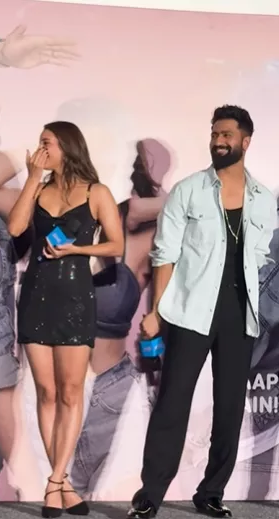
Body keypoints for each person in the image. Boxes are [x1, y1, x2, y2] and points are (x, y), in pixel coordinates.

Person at [128, 105, 277, 519]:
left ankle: (211, 492)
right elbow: (165, 254)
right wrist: (156, 311)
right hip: (190, 311)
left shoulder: (263, 200)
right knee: (172, 403)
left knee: (229, 408)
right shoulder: (189, 190)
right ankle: (150, 494)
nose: (218, 141)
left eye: (226, 135)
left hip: (240, 316)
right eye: (214, 134)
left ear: (245, 141)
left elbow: (261, 259)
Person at [8, 121, 124, 517]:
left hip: (75, 299)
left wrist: (77, 250)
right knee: (46, 392)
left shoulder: (96, 192)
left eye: (46, 143)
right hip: (36, 297)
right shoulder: (39, 189)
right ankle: (63, 484)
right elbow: (15, 227)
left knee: (71, 392)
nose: (40, 149)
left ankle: (54, 481)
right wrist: (31, 178)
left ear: (66, 146)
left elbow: (116, 244)